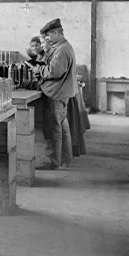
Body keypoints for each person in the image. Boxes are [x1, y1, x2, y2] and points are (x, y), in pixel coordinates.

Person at [33, 18, 78, 170]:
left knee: (55, 129)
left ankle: (54, 162)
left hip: (56, 93)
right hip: (62, 93)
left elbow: (55, 71)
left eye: (49, 36)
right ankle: (66, 159)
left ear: (57, 32)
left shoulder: (62, 49)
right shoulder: (63, 46)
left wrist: (38, 70)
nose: (47, 39)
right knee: (63, 128)